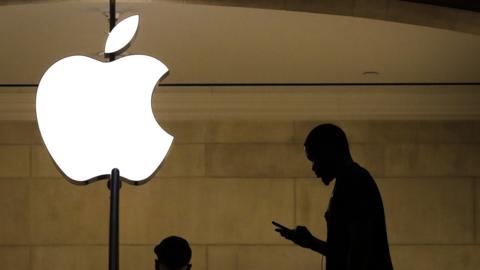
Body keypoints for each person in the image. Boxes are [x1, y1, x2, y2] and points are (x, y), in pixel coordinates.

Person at [273, 124, 393, 270]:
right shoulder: (350, 181)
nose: (313, 167)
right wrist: (310, 242)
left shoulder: (355, 182)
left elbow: (360, 250)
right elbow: (344, 252)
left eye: (314, 159)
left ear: (328, 152)